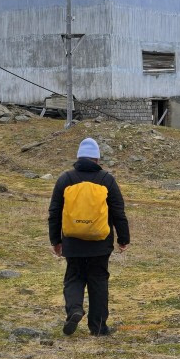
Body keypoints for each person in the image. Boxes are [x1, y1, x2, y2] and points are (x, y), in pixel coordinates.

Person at [48, 137, 130, 336]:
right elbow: (118, 211)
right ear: (97, 159)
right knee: (98, 280)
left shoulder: (65, 179)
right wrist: (123, 238)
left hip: (73, 241)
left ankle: (75, 309)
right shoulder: (106, 179)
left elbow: (55, 212)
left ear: (78, 157)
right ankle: (99, 327)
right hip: (100, 242)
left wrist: (56, 241)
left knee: (74, 277)